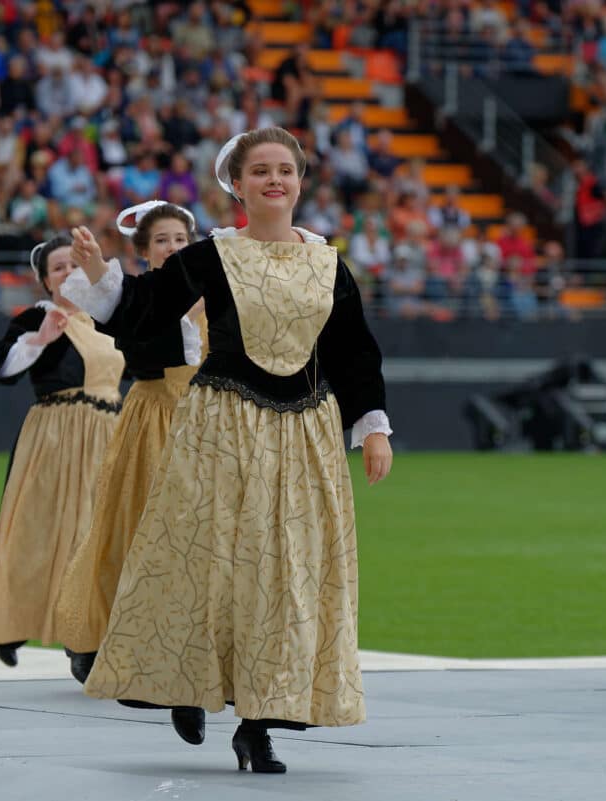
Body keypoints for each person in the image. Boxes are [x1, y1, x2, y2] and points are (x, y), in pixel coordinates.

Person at [62, 127, 393, 773]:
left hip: (305, 433)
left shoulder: (329, 262)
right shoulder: (211, 255)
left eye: (285, 170)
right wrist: (103, 275)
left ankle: (258, 722)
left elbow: (354, 351)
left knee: (284, 574)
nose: (275, 180)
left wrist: (372, 426)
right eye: (261, 171)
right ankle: (185, 682)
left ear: (300, 182)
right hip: (222, 424)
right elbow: (148, 310)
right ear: (236, 185)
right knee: (206, 559)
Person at [53, 201, 206, 687]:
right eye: (162, 240)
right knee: (128, 529)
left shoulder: (218, 293)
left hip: (206, 426)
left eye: (181, 240)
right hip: (153, 420)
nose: (173, 248)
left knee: (202, 540)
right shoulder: (142, 298)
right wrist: (95, 262)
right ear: (143, 252)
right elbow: (119, 304)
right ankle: (93, 635)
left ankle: (191, 646)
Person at [0, 237, 125, 670]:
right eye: (58, 268)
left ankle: (90, 634)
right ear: (44, 280)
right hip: (58, 436)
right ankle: (57, 636)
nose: (68, 273)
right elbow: (0, 367)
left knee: (103, 537)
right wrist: (38, 340)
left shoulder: (105, 319)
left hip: (109, 433)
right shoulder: (37, 318)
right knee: (41, 533)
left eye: (74, 265)